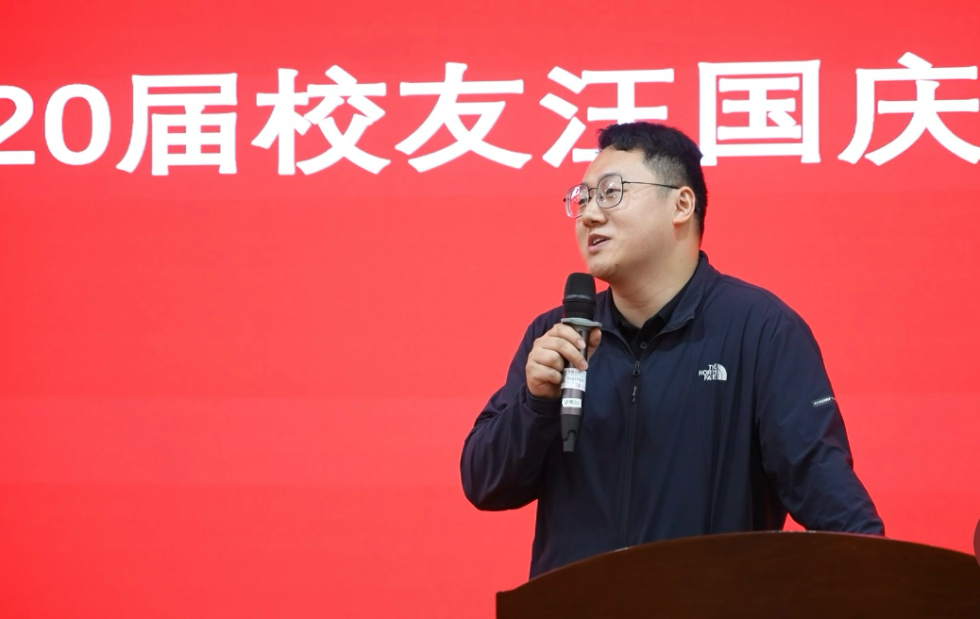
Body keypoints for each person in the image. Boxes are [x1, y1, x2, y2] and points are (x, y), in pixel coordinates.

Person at [460, 121, 884, 579]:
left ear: (681, 204)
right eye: (583, 199)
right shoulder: (556, 336)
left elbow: (822, 484)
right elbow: (485, 484)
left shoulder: (760, 330)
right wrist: (536, 404)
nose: (589, 215)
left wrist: (881, 582)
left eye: (610, 193)